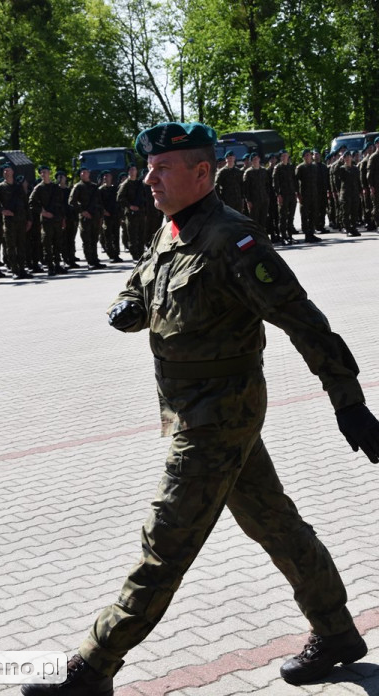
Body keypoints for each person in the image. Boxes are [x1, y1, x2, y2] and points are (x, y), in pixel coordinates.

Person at [20, 121, 379, 696]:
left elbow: (303, 320)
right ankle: (336, 631)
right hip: (194, 409)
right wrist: (126, 307)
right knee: (274, 523)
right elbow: (138, 285)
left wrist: (349, 403)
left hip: (219, 415)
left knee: (165, 543)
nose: (148, 179)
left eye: (162, 169)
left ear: (202, 173)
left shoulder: (232, 240)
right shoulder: (171, 231)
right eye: (148, 168)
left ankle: (93, 666)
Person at [0, 163, 32, 279]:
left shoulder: (18, 187)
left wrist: (29, 219)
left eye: (8, 170)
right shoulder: (0, 188)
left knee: (22, 246)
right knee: (11, 246)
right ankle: (15, 270)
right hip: (9, 222)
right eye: (4, 171)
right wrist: (2, 211)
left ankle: (22, 269)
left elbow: (25, 204)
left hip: (21, 220)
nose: (6, 173)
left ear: (12, 172)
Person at [29, 165, 66, 276]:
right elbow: (31, 203)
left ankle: (58, 265)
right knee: (47, 244)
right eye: (41, 173)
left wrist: (63, 218)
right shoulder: (38, 188)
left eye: (45, 172)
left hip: (57, 219)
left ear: (49, 173)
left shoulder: (56, 188)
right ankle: (50, 267)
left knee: (57, 243)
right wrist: (42, 212)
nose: (43, 174)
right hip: (46, 221)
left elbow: (62, 204)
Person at [69, 166, 105, 270]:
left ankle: (95, 259)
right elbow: (71, 201)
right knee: (87, 240)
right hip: (85, 217)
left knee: (94, 239)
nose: (84, 174)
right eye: (82, 172)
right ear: (80, 174)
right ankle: (90, 261)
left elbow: (100, 202)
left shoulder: (94, 187)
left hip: (95, 216)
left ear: (89, 173)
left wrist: (101, 216)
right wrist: (82, 211)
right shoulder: (78, 187)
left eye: (86, 172)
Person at [295, 148, 321, 243]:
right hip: (304, 195)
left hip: (313, 193)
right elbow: (296, 182)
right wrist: (298, 194)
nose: (308, 156)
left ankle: (311, 232)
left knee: (313, 213)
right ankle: (307, 234)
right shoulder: (300, 168)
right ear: (303, 157)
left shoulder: (314, 167)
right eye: (306, 155)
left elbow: (317, 181)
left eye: (309, 155)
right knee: (305, 215)